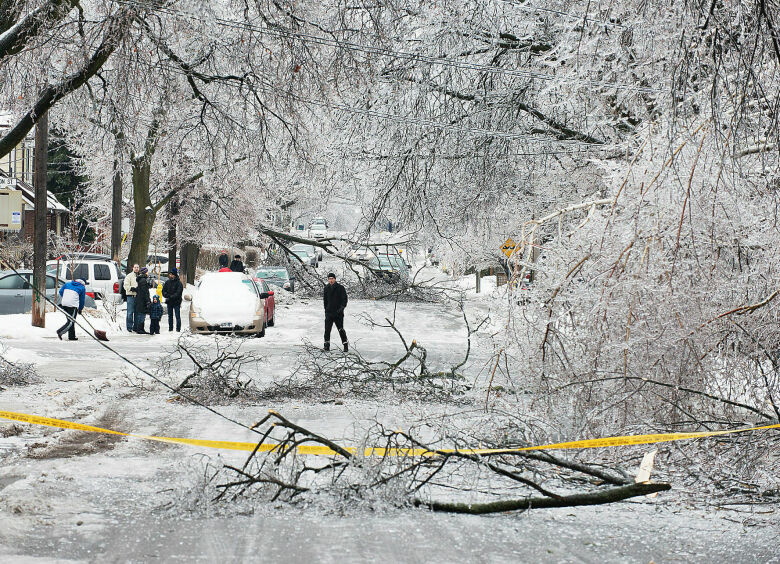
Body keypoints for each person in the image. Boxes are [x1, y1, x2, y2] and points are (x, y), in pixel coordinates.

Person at [323, 272, 348, 352]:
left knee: (340, 329)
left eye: (332, 279)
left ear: (335, 279)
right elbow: (325, 301)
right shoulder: (326, 288)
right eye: (329, 279)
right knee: (327, 330)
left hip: (338, 313)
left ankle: (345, 345)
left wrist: (341, 309)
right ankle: (326, 345)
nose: (331, 280)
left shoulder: (340, 288)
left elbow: (345, 300)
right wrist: (326, 310)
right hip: (329, 313)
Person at [162, 267, 183, 332]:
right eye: (170, 274)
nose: (170, 275)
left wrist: (171, 296)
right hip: (169, 302)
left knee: (177, 316)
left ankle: (178, 329)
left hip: (176, 302)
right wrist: (166, 295)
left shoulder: (179, 283)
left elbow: (178, 293)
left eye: (171, 274)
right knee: (170, 316)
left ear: (174, 275)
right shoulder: (167, 282)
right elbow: (163, 291)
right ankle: (170, 329)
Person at [134, 267, 152, 334]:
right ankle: (140, 329)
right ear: (145, 272)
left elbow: (140, 289)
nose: (148, 273)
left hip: (139, 299)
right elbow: (145, 292)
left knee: (141, 314)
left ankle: (140, 328)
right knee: (142, 314)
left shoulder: (141, 279)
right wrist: (148, 300)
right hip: (142, 300)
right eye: (147, 271)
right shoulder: (143, 280)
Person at [123, 263, 140, 332]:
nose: (136, 268)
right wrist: (132, 288)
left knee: (137, 312)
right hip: (130, 296)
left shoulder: (140, 276)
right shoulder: (129, 276)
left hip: (138, 297)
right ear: (133, 268)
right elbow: (125, 286)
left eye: (137, 267)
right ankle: (129, 327)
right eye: (135, 267)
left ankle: (135, 327)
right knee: (130, 312)